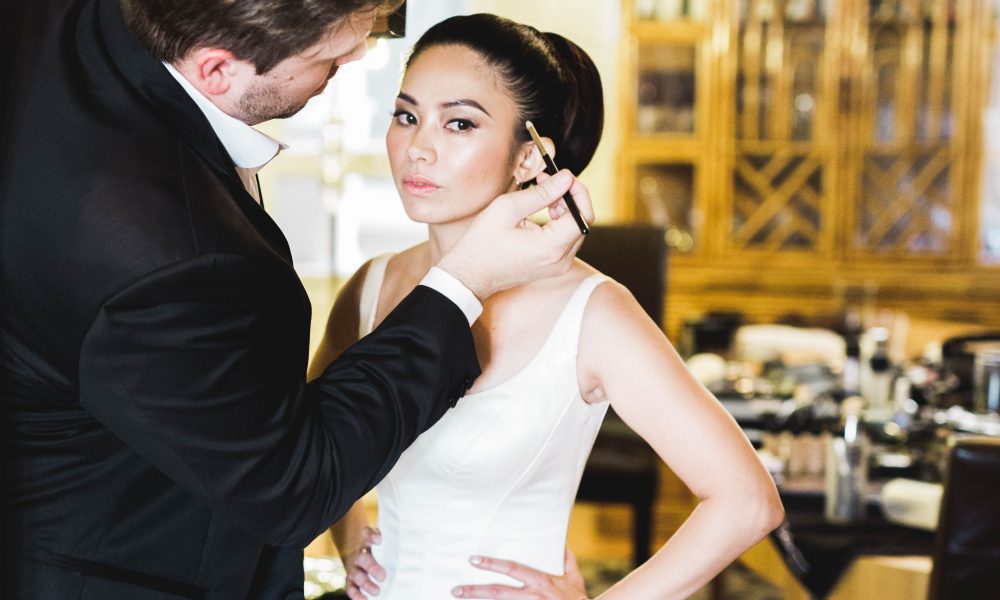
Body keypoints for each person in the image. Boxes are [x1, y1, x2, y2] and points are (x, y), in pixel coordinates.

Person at [0, 0, 593, 598]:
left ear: (529, 154)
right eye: (329, 53)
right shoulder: (164, 259)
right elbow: (295, 479)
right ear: (217, 70)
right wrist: (463, 282)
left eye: (459, 123)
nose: (360, 52)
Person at [311, 13, 785, 600]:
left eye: (459, 123)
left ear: (529, 160)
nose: (418, 148)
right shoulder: (372, 285)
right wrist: (349, 536)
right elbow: (307, 443)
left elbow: (747, 501)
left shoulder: (594, 312)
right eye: (407, 116)